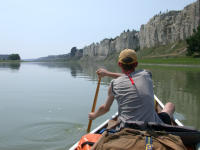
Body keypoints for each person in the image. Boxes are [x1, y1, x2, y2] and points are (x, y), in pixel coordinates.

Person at [88, 49, 175, 126]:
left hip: (126, 127)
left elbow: (105, 109)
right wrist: (108, 73)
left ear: (119, 64)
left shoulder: (113, 84)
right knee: (170, 105)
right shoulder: (146, 74)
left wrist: (93, 115)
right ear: (136, 64)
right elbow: (131, 77)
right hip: (153, 126)